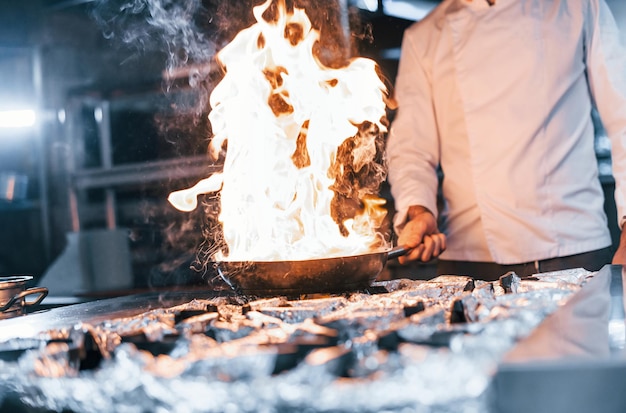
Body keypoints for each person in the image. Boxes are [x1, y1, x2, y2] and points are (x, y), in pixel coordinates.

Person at [386, 0, 626, 280]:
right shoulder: (425, 36)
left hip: (572, 249)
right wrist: (419, 209)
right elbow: (411, 149)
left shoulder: (577, 7)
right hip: (468, 261)